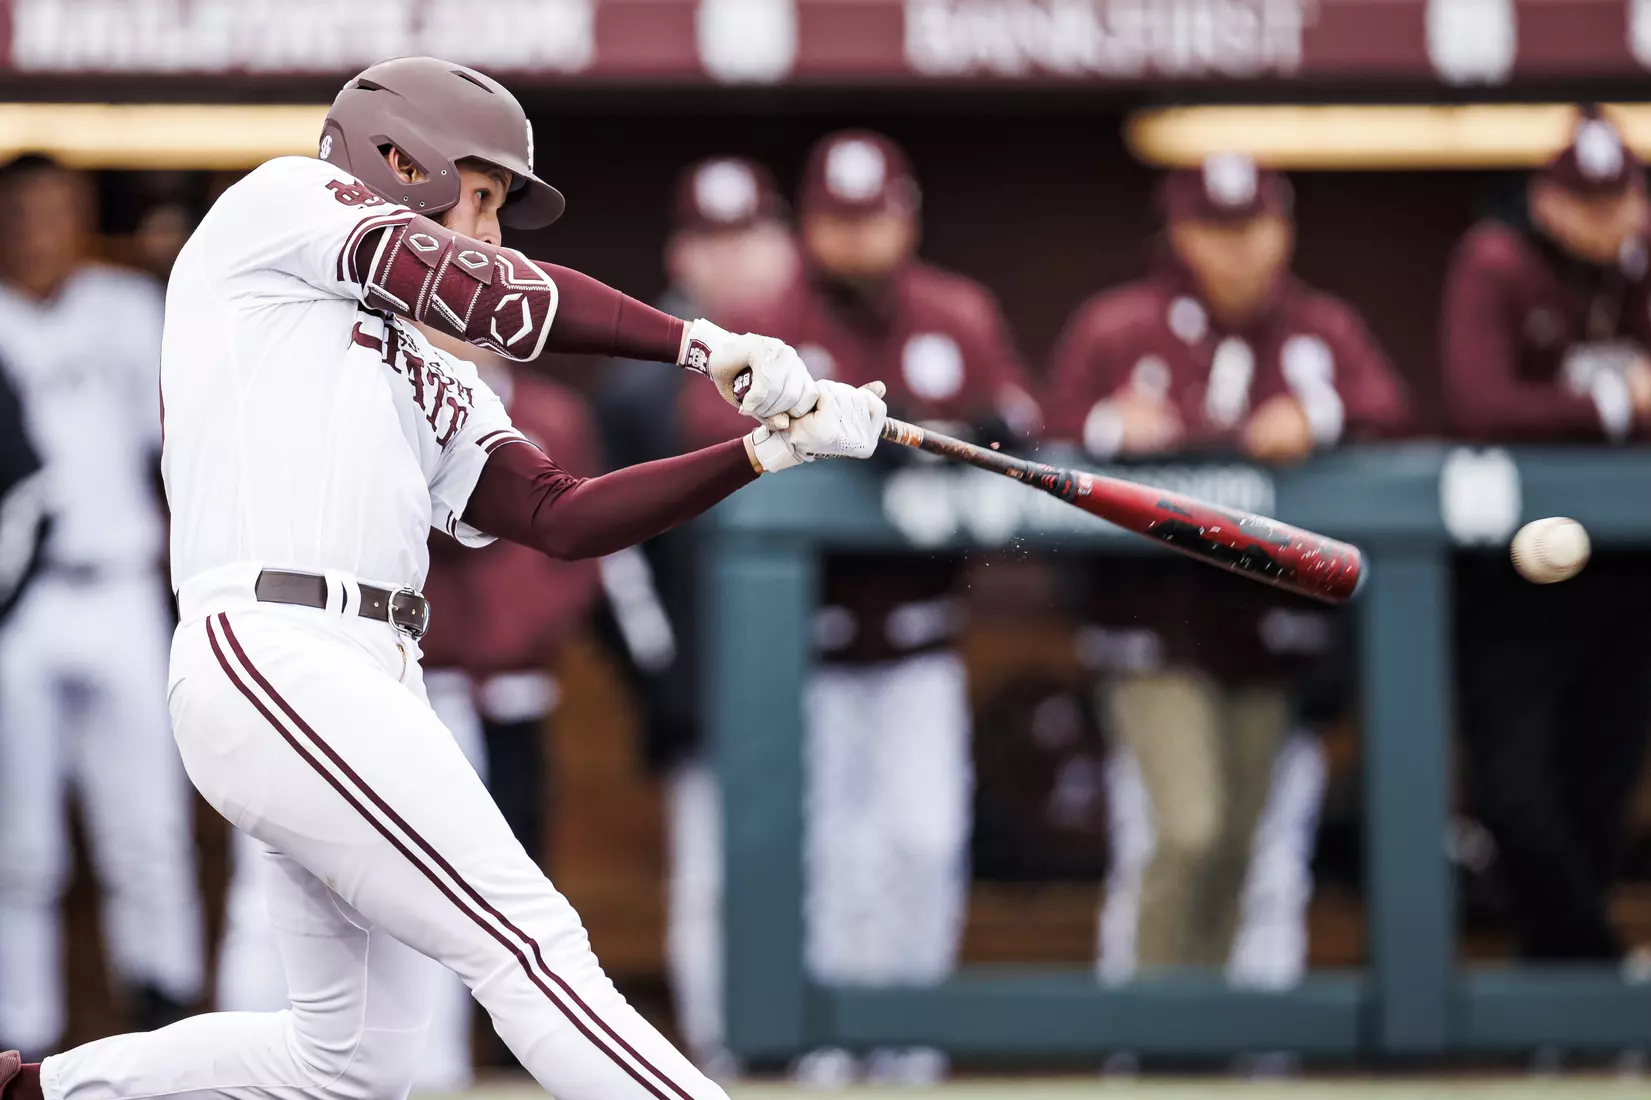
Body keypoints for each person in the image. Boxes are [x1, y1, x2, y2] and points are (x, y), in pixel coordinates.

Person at [0, 54, 884, 1100]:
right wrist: (700, 341)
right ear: (395, 159)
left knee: (349, 1060)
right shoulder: (279, 206)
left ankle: (33, 1089)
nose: (493, 231)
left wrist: (756, 454)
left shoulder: (416, 361)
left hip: (367, 669)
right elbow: (473, 285)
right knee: (531, 943)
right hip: (274, 642)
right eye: (484, 196)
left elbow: (558, 511)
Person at [683, 129, 1038, 1087]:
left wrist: (943, 441)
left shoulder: (954, 312)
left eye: (873, 214)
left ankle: (907, 1040)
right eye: (837, 219)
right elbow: (701, 437)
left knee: (923, 842)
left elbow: (1016, 424)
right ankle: (826, 1041)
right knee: (829, 855)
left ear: (906, 214)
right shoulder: (763, 319)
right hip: (798, 643)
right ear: (808, 225)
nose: (857, 236)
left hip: (921, 638)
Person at [1045, 153, 1407, 983]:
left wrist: (1315, 418)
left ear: (1282, 231)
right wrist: (1108, 426)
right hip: (1151, 623)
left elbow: (1392, 411)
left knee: (1244, 844)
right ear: (1179, 234)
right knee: (1185, 829)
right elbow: (1040, 430)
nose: (1237, 250)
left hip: (1269, 627)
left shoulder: (1321, 330)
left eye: (1252, 228)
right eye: (1215, 229)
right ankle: (1149, 1037)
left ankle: (1212, 1040)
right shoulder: (1120, 326)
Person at [213, 338, 604, 1091]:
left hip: (417, 679)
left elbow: (551, 537)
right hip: (281, 659)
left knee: (450, 919)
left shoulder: (530, 408)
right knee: (272, 914)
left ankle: (434, 1080)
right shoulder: (328, 385)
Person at [593, 156, 797, 1081]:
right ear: (682, 253)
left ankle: (830, 1054)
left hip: (817, 666)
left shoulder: (815, 354)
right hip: (704, 670)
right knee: (711, 878)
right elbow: (611, 553)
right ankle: (722, 1056)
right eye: (714, 240)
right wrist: (662, 674)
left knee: (826, 866)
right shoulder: (640, 385)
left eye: (749, 235)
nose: (736, 259)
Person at [0, 154, 205, 1059]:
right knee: (18, 845)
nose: (39, 226)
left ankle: (167, 1027)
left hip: (118, 583)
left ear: (80, 214)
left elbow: (181, 454)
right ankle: (20, 1039)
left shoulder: (126, 308)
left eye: (55, 209)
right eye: (22, 210)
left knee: (148, 829)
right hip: (17, 605)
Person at [1443, 108, 1651, 962]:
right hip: (1512, 581)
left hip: (1628, 572)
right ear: (1546, 201)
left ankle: (1562, 1000)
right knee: (1516, 795)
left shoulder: (1641, 270)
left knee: (1599, 792)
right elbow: (1482, 402)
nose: (1606, 220)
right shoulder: (1497, 260)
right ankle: (1594, 973)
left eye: (1621, 200)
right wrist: (1616, 404)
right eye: (1586, 203)